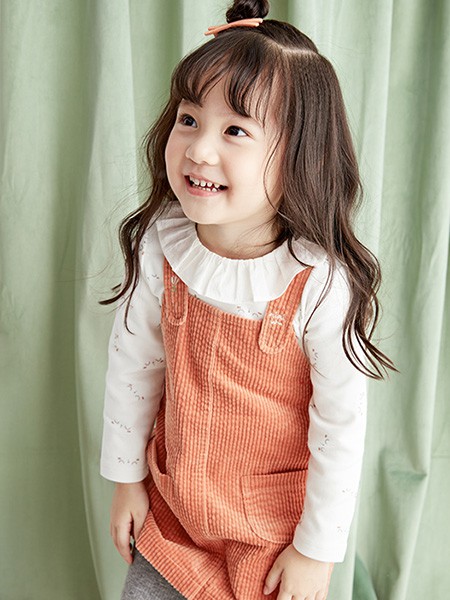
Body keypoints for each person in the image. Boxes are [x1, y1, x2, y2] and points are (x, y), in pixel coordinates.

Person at [99, 1, 397, 599]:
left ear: (299, 155)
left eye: (235, 130)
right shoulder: (164, 245)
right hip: (174, 515)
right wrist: (127, 479)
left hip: (271, 537)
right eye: (189, 118)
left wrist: (315, 550)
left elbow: (340, 427)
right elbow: (134, 366)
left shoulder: (318, 282)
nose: (199, 149)